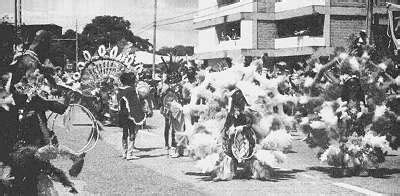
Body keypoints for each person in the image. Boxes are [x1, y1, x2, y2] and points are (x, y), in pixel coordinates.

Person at [117, 72, 146, 160]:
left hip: (122, 114)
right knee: (132, 132)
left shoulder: (119, 90)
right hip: (130, 114)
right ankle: (130, 153)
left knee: (124, 133)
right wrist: (141, 113)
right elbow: (134, 103)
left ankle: (124, 153)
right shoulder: (131, 90)